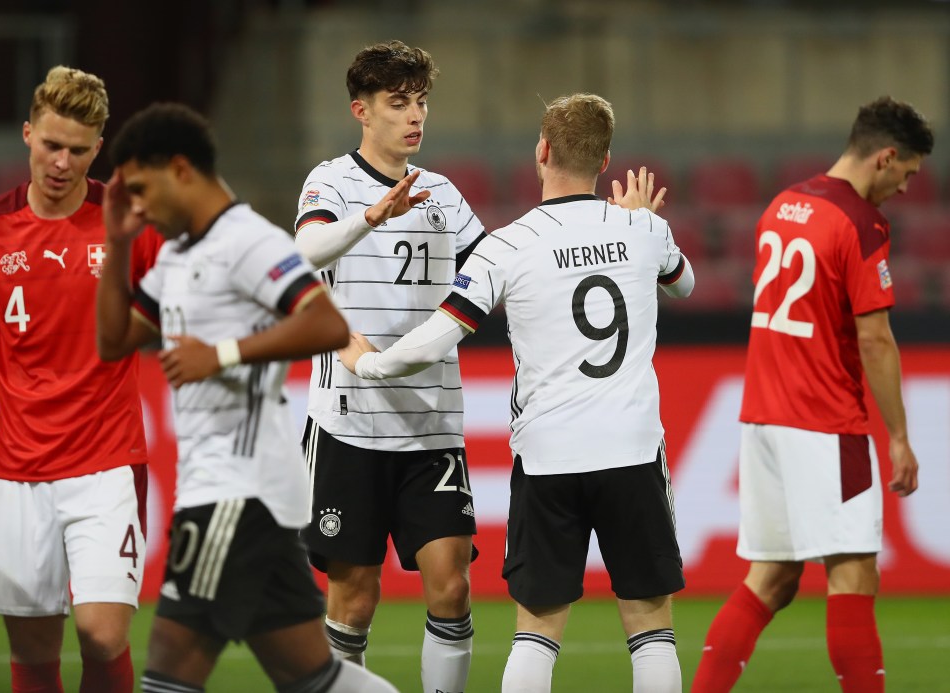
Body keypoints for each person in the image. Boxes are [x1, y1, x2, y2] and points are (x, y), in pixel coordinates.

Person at [338, 92, 695, 693]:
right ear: (604, 159)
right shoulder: (644, 228)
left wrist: (370, 364)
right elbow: (684, 283)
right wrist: (641, 221)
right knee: (650, 625)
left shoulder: (510, 243)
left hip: (550, 456)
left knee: (536, 629)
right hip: (632, 451)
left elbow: (437, 336)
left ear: (543, 150)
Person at [95, 102, 397, 693]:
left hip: (236, 490)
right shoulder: (178, 254)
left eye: (141, 187)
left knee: (170, 663)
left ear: (180, 169)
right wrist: (117, 242)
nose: (139, 205)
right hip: (233, 488)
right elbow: (113, 341)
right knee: (312, 676)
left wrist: (223, 353)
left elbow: (327, 326)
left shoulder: (248, 240)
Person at [691, 96, 932, 693]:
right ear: (886, 156)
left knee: (771, 578)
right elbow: (875, 340)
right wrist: (898, 436)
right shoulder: (859, 221)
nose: (905, 189)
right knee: (854, 576)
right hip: (824, 420)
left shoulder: (782, 205)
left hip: (763, 418)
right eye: (907, 174)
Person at [292, 40, 485, 692]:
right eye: (398, 102)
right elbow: (307, 247)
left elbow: (493, 271)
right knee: (354, 598)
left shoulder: (443, 193)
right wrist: (372, 215)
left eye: (421, 102)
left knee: (452, 584)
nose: (414, 116)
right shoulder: (330, 182)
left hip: (432, 425)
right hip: (349, 425)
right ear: (361, 110)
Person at [0, 66, 162, 693]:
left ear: (98, 150)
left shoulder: (128, 225)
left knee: (101, 633)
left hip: (105, 466)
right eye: (52, 145)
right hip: (15, 471)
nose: (62, 161)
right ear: (29, 134)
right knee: (34, 653)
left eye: (79, 150)